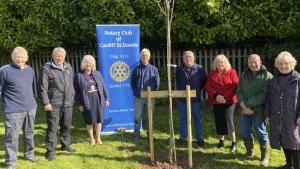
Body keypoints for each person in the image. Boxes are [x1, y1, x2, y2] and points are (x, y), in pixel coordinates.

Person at [0, 47, 39, 169]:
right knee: (12, 136)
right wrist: (5, 104)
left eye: (22, 57)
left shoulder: (29, 70)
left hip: (30, 108)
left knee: (29, 133)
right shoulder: (4, 70)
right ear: (13, 57)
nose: (20, 59)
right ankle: (11, 162)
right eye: (17, 57)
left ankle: (29, 154)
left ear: (26, 58)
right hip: (13, 110)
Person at [265, 51, 300, 169]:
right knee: (283, 139)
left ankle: (297, 165)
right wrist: (267, 115)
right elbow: (269, 99)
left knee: (294, 141)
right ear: (277, 65)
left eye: (286, 63)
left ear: (292, 64)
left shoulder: (298, 79)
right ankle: (289, 164)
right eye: (280, 64)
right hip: (277, 116)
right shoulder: (273, 81)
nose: (283, 66)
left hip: (294, 117)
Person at [39, 47, 75, 161]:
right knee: (53, 128)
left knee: (66, 126)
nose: (59, 58)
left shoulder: (68, 66)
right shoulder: (46, 68)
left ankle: (65, 145)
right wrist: (46, 102)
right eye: (57, 56)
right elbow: (42, 87)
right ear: (53, 56)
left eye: (62, 56)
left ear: (65, 57)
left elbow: (71, 82)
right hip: (53, 104)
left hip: (68, 103)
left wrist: (72, 97)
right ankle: (50, 151)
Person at [236, 54, 273, 167]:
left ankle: (265, 157)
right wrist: (243, 106)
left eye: (255, 61)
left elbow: (263, 95)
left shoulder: (268, 76)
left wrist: (248, 105)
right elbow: (239, 91)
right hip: (244, 110)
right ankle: (249, 151)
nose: (253, 64)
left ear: (260, 62)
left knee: (261, 133)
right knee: (244, 131)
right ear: (247, 63)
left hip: (259, 111)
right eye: (250, 62)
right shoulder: (243, 75)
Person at [205, 54, 239, 152]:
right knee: (219, 120)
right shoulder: (211, 73)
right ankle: (221, 141)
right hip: (216, 101)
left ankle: (234, 143)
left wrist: (224, 97)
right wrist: (216, 96)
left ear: (226, 63)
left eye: (222, 62)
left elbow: (235, 86)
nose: (220, 64)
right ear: (215, 64)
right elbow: (208, 86)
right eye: (218, 62)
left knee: (229, 121)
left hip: (228, 101)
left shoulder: (232, 72)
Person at [74, 55, 110, 145]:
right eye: (87, 62)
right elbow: (75, 91)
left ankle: (98, 138)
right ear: (83, 64)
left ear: (93, 64)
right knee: (89, 120)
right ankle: (92, 139)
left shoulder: (97, 73)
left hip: (98, 99)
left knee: (98, 120)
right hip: (86, 101)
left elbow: (103, 86)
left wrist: (107, 98)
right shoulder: (79, 76)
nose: (89, 64)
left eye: (90, 62)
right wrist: (79, 104)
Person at [176, 51, 207, 146]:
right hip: (182, 100)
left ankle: (199, 138)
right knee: (183, 119)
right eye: (186, 57)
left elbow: (204, 82)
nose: (188, 59)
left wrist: (196, 91)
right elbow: (178, 81)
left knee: (197, 119)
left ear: (193, 58)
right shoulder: (179, 69)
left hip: (195, 100)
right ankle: (183, 137)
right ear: (183, 59)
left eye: (190, 57)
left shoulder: (200, 69)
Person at [130, 48, 160, 139]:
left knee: (150, 116)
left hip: (150, 97)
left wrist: (152, 93)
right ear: (140, 57)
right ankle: (136, 133)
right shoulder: (136, 69)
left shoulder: (154, 69)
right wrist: (137, 91)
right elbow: (132, 82)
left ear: (149, 57)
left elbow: (157, 82)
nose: (145, 57)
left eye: (146, 55)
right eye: (143, 55)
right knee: (137, 116)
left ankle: (149, 134)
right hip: (139, 97)